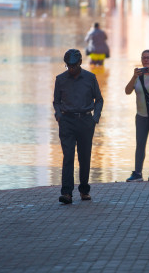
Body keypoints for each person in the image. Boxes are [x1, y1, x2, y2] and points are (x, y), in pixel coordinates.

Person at [53, 49, 104, 204]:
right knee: (68, 157)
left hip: (85, 121)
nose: (71, 69)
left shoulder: (90, 78)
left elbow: (99, 100)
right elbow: (56, 101)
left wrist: (95, 117)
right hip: (67, 121)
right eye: (68, 66)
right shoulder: (60, 79)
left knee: (84, 157)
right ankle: (67, 193)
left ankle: (84, 190)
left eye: (74, 65)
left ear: (80, 63)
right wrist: (58, 114)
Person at [124, 49, 149, 182]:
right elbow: (127, 91)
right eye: (144, 58)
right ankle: (137, 173)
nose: (146, 60)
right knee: (140, 144)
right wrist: (134, 76)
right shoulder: (137, 77)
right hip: (141, 116)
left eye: (148, 58)